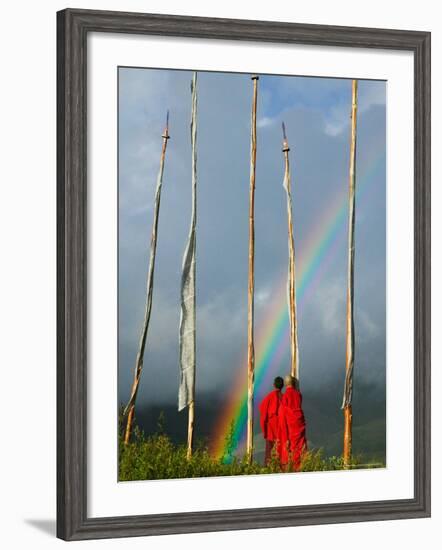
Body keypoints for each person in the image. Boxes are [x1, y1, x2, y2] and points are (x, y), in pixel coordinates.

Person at [278, 375, 307, 471]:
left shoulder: (285, 397)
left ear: (285, 384)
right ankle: (302, 467)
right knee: (301, 447)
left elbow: (282, 415)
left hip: (290, 426)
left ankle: (294, 469)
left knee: (292, 449)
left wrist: (284, 435)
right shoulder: (298, 395)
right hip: (299, 424)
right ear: (293, 383)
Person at [259, 376, 284, 465]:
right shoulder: (284, 398)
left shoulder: (269, 397)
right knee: (281, 455)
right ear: (283, 386)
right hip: (281, 432)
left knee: (269, 456)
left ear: (274, 385)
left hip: (270, 432)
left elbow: (263, 414)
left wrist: (264, 431)